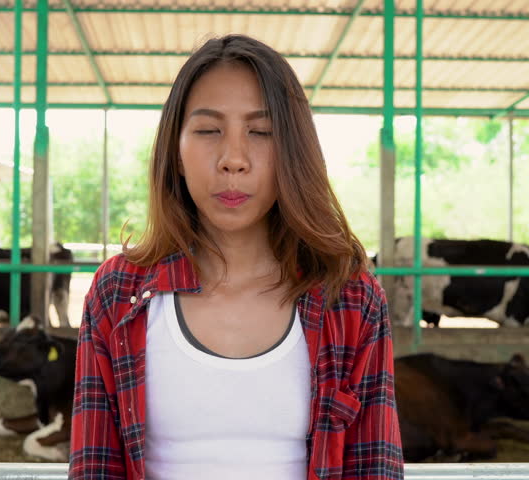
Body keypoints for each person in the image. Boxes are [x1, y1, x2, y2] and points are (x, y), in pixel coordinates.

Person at [69, 34, 403, 480]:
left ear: (293, 152)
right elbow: (94, 467)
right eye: (208, 131)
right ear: (177, 152)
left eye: (261, 133)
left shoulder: (351, 298)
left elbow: (374, 468)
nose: (233, 160)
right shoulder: (119, 294)